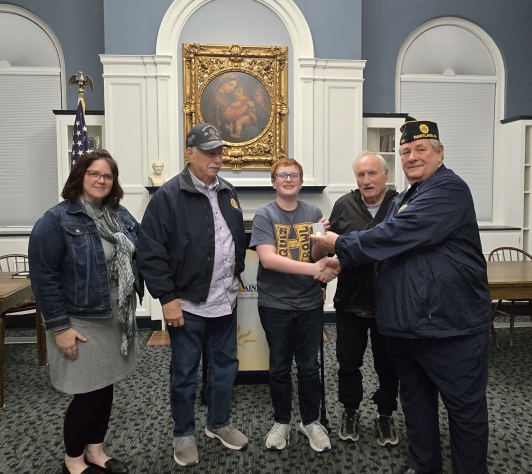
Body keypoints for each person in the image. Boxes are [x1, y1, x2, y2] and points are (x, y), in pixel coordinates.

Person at [312, 120, 491, 474]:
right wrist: (341, 261)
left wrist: (340, 243)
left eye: (421, 149)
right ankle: (422, 466)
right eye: (406, 150)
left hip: (450, 329)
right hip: (408, 328)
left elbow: (395, 235)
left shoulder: (448, 190)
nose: (412, 156)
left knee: (464, 412)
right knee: (416, 405)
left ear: (440, 153)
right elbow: (382, 244)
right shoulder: (407, 197)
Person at [136, 123, 248, 467]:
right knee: (185, 372)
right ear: (189, 153)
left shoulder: (227, 190)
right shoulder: (168, 196)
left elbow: (232, 240)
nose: (216, 158)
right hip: (186, 305)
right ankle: (183, 433)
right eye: (209, 152)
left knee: (225, 367)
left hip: (225, 300)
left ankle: (218, 423)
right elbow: (150, 252)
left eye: (219, 152)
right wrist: (167, 298)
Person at [28, 150, 143, 474]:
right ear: (80, 176)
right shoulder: (56, 220)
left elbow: (144, 246)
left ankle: (96, 451)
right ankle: (73, 460)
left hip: (114, 317)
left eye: (107, 175)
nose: (101, 180)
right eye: (94, 173)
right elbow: (44, 279)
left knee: (105, 387)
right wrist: (59, 328)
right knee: (87, 395)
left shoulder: (119, 216)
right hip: (80, 320)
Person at [250, 158, 338, 453]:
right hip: (275, 304)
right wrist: (317, 270)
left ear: (301, 182)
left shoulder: (313, 212)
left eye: (294, 175)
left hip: (309, 304)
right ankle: (281, 421)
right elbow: (268, 260)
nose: (289, 179)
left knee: (309, 367)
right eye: (282, 175)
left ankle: (310, 421)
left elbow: (315, 255)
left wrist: (321, 244)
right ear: (273, 181)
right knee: (278, 367)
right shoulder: (264, 215)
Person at [328, 151, 400, 447]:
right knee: (348, 363)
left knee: (388, 365)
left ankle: (385, 415)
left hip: (390, 304)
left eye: (372, 174)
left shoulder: (401, 205)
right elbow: (332, 250)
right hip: (350, 302)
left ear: (386, 175)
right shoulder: (343, 205)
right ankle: (350, 411)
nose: (366, 180)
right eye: (361, 175)